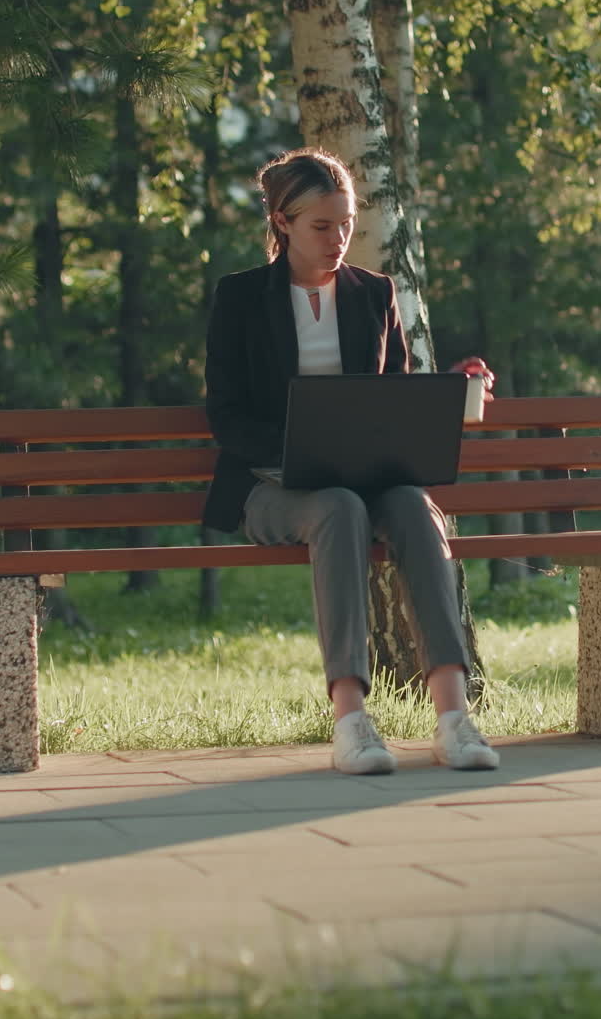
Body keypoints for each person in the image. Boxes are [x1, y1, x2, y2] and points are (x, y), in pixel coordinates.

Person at [203, 147, 499, 776]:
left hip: (369, 479)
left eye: (345, 224)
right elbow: (226, 420)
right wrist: (304, 448)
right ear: (283, 223)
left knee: (416, 510)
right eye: (321, 226)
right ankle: (351, 721)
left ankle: (453, 717)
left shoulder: (373, 294)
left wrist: (455, 389)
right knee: (336, 508)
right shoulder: (240, 298)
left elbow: (395, 396)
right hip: (273, 487)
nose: (338, 239)